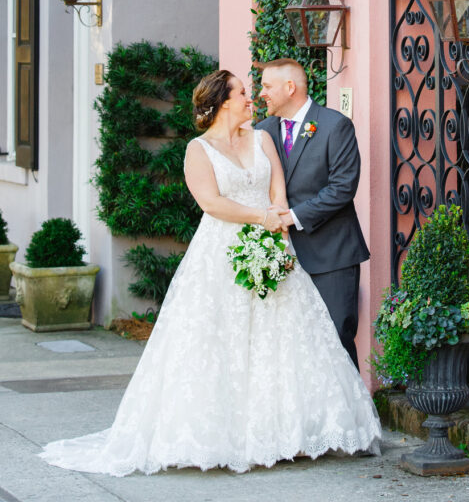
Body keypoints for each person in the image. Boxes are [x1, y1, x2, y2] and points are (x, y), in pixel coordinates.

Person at [38, 70, 381, 477]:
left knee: (285, 340)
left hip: (272, 242)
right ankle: (223, 435)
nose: (250, 96)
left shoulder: (263, 138)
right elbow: (212, 203)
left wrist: (273, 226)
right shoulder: (197, 151)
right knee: (218, 340)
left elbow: (278, 191)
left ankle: (292, 433)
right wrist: (260, 219)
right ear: (222, 102)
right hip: (222, 250)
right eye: (242, 92)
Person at [256, 58, 370, 368]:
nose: (261, 93)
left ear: (289, 87)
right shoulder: (261, 131)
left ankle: (347, 417)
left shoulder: (335, 126)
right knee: (287, 348)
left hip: (332, 256)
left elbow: (342, 188)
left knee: (335, 341)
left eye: (266, 86)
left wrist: (289, 217)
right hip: (280, 257)